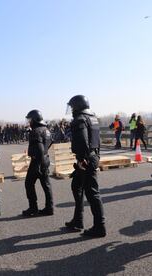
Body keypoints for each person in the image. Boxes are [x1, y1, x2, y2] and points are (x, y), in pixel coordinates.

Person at [65, 95, 106, 238]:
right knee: (77, 187)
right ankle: (78, 220)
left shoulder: (80, 119)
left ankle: (99, 227)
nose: (71, 109)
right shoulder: (93, 118)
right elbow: (97, 140)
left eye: (72, 106)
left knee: (92, 193)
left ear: (77, 106)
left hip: (86, 159)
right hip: (92, 156)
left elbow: (82, 140)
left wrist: (83, 159)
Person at [22, 110, 54, 217]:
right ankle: (50, 208)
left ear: (35, 119)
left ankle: (33, 208)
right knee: (46, 185)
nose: (29, 121)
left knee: (29, 183)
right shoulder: (46, 130)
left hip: (37, 161)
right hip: (45, 159)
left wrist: (38, 160)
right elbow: (50, 142)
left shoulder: (35, 131)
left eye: (30, 119)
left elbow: (39, 147)